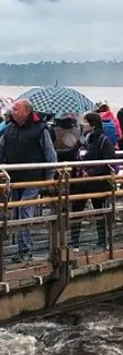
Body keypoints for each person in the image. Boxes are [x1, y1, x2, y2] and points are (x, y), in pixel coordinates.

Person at [0, 99, 57, 262]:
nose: (13, 111)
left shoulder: (40, 129)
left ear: (26, 111)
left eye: (16, 109)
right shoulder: (9, 128)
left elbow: (50, 155)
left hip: (33, 177)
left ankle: (25, 250)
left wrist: (49, 177)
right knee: (15, 212)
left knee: (24, 211)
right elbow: (1, 149)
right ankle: (22, 248)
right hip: (14, 177)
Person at [70, 112, 115, 250]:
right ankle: (74, 242)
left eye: (85, 122)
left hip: (96, 183)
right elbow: (72, 153)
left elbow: (109, 161)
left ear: (92, 124)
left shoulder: (103, 140)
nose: (83, 125)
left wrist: (91, 172)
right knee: (76, 211)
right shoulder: (82, 140)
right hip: (80, 181)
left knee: (99, 211)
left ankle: (102, 240)